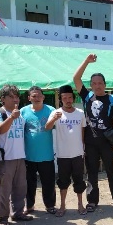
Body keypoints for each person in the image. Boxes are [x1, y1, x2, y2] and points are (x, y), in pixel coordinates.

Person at [73, 54, 113, 212]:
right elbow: (76, 78)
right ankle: (92, 200)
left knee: (112, 170)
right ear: (90, 85)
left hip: (107, 142)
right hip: (90, 142)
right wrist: (86, 62)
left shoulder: (112, 100)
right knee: (91, 173)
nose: (97, 86)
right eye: (94, 83)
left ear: (104, 84)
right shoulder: (87, 96)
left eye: (100, 83)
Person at [0, 84, 32, 225]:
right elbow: (0, 130)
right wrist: (11, 118)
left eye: (17, 97)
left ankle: (18, 213)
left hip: (20, 156)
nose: (16, 100)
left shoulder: (20, 114)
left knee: (20, 188)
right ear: (3, 99)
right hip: (5, 158)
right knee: (4, 190)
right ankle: (2, 217)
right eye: (11, 97)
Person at [45, 85, 87, 217]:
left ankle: (80, 204)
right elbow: (47, 127)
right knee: (63, 182)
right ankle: (62, 205)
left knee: (79, 181)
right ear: (61, 99)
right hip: (63, 154)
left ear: (73, 98)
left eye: (70, 97)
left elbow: (83, 132)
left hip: (78, 154)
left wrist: (83, 149)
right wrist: (53, 119)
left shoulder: (80, 113)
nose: (68, 100)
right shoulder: (56, 113)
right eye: (64, 98)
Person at [20, 86, 57, 215]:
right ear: (29, 98)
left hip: (46, 155)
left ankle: (50, 205)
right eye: (33, 96)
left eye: (39, 95)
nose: (36, 98)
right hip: (28, 155)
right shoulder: (23, 111)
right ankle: (29, 206)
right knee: (29, 184)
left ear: (43, 97)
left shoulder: (51, 110)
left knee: (48, 183)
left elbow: (54, 126)